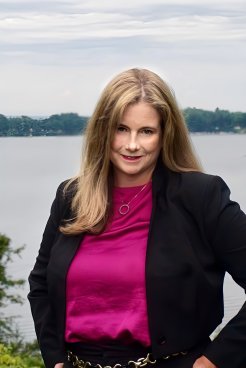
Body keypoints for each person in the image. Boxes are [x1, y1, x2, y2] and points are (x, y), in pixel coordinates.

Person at [28, 68, 246, 368]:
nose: (132, 145)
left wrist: (212, 362)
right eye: (120, 129)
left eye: (146, 131)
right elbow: (40, 284)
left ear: (164, 134)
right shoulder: (70, 197)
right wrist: (54, 359)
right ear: (103, 131)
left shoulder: (201, 196)